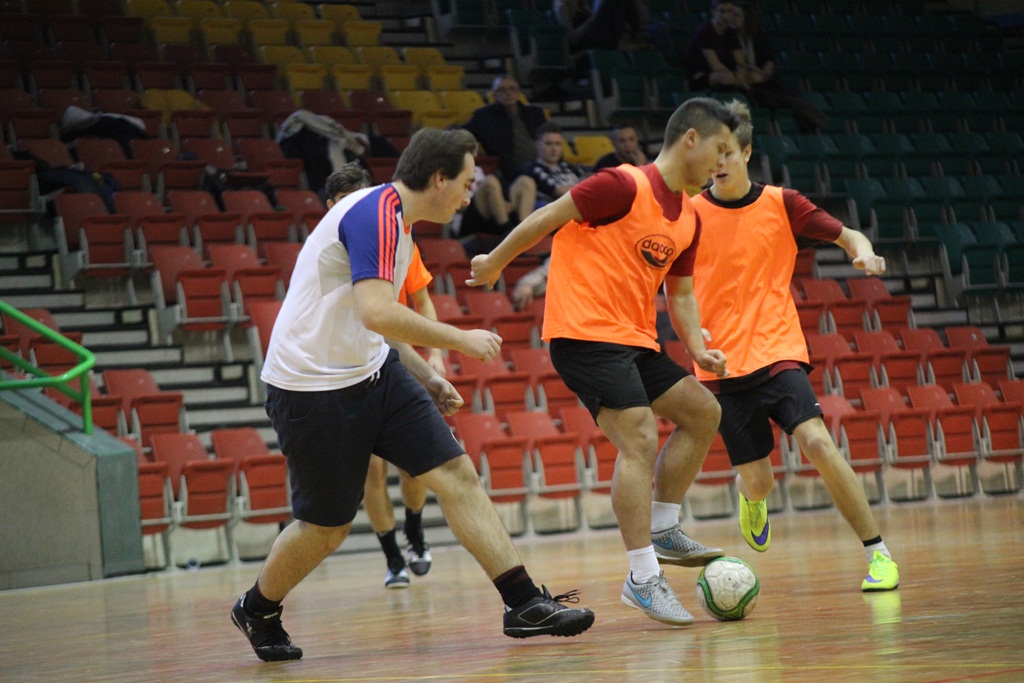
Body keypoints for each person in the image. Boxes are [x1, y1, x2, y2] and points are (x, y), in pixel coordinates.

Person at [230, 128, 595, 663]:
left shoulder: (397, 222)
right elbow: (375, 310)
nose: (471, 195)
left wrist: (426, 373)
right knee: (326, 529)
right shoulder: (374, 212)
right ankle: (257, 607)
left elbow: (375, 327)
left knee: (457, 476)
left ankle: (522, 603)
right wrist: (459, 340)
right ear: (440, 178)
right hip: (312, 390)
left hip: (374, 371)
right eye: (467, 183)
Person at [468, 97, 739, 626]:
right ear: (690, 139)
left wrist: (698, 348)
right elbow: (550, 215)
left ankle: (663, 528)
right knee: (639, 436)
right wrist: (498, 259)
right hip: (583, 333)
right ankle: (642, 577)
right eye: (719, 149)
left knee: (704, 412)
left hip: (635, 340)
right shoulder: (620, 185)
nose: (722, 163)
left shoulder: (689, 218)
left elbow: (680, 295)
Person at [689, 100, 899, 592]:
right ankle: (754, 497)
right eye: (711, 154)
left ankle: (879, 555)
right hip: (720, 364)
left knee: (818, 443)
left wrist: (865, 254)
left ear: (745, 152)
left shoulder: (783, 204)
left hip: (778, 347)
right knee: (759, 480)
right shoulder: (688, 213)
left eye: (727, 153)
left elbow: (849, 236)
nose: (717, 163)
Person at [324, 164, 443, 589]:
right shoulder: (326, 253)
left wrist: (438, 357)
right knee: (371, 472)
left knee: (415, 466)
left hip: (396, 357)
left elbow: (423, 302)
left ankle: (414, 526)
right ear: (329, 208)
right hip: (351, 367)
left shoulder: (394, 239)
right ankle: (392, 557)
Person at [684, 0, 745, 92]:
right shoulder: (704, 33)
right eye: (722, 11)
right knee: (727, 78)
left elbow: (740, 60)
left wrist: (741, 72)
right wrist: (736, 77)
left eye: (729, 11)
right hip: (702, 74)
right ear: (713, 12)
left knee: (754, 76)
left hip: (728, 72)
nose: (726, 15)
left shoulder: (731, 33)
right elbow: (715, 66)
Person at [527, 122, 588, 207]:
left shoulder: (570, 167)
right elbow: (562, 193)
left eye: (558, 144)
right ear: (537, 145)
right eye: (548, 144)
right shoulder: (534, 170)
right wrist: (584, 188)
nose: (554, 149)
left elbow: (590, 186)